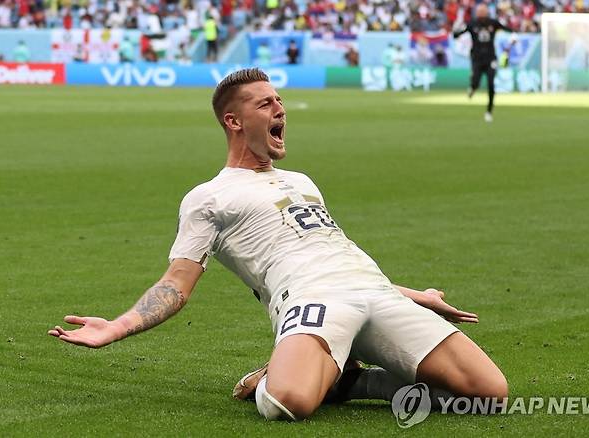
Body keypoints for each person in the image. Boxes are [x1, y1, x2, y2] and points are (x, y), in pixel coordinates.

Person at [48, 68, 508, 422]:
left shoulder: (302, 181)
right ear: (233, 120)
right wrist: (118, 327)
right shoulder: (208, 198)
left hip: (376, 291)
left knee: (490, 395)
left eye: (280, 100)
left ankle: (345, 380)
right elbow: (177, 283)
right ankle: (343, 383)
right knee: (289, 403)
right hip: (310, 299)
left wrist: (413, 295)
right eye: (265, 103)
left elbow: (329, 252)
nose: (280, 109)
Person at [453, 3, 514, 122]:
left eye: (483, 11)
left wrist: (513, 33)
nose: (481, 13)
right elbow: (458, 34)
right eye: (479, 11)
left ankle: (489, 111)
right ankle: (472, 87)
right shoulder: (471, 23)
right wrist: (456, 32)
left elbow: (507, 29)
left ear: (487, 12)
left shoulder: (493, 22)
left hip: (490, 58)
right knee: (476, 81)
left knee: (491, 84)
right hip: (476, 58)